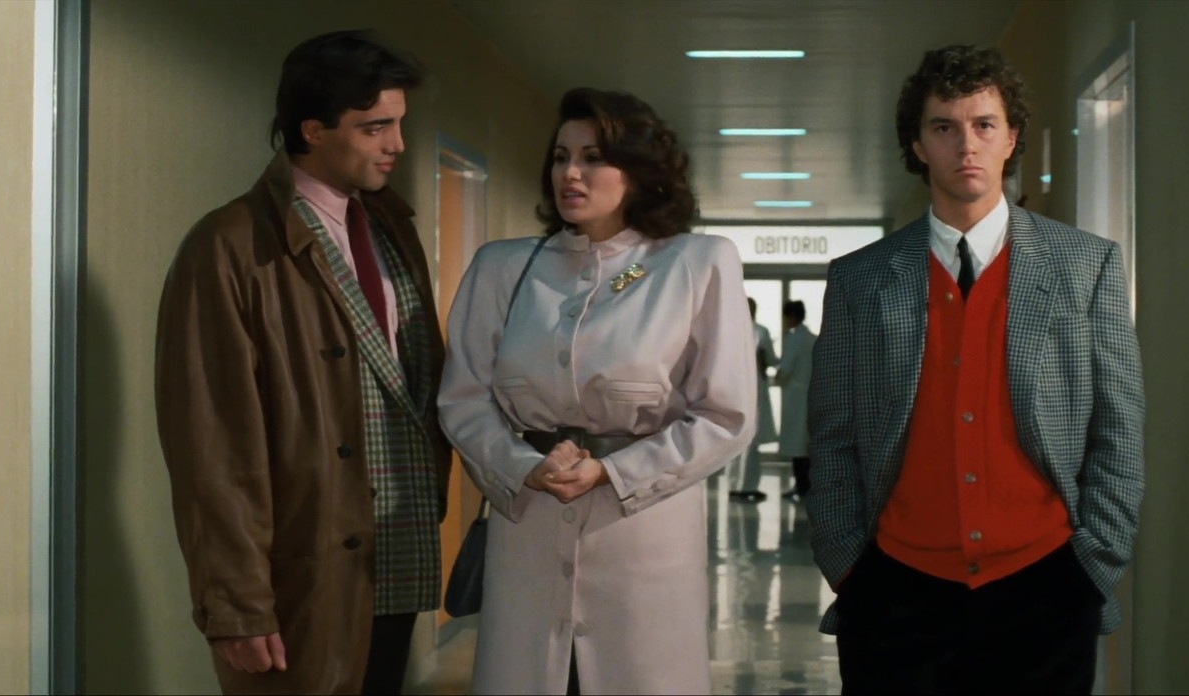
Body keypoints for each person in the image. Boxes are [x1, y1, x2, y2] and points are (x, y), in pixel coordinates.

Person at [806, 44, 1145, 694]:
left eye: (985, 125)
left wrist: (1092, 566)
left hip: (1048, 587)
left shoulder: (1086, 265)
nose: (967, 145)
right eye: (944, 127)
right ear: (917, 145)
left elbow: (1119, 430)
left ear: (1011, 138)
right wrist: (850, 568)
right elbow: (833, 436)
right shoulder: (861, 280)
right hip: (895, 593)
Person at [155, 30, 451, 695]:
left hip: (398, 547)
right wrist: (236, 602)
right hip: (305, 562)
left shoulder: (393, 229)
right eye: (375, 128)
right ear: (312, 130)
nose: (398, 145)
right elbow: (211, 445)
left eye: (399, 124)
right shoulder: (230, 246)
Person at [437, 87, 755, 695]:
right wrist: (521, 466)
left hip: (643, 539)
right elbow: (464, 398)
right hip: (529, 527)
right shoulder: (503, 268)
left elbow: (725, 414)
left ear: (639, 169)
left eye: (593, 158)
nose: (571, 173)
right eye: (561, 157)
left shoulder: (694, 262)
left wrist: (615, 472)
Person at [730, 297, 779, 502]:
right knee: (751, 441)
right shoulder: (760, 331)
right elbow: (771, 360)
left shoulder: (730, 330)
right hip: (754, 389)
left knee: (736, 439)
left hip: (735, 389)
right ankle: (748, 485)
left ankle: (735, 485)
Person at [775, 300, 816, 501]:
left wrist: (778, 378)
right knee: (805, 443)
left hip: (795, 396)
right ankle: (805, 485)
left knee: (796, 445)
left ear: (791, 316)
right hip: (810, 394)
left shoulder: (793, 340)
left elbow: (786, 369)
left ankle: (801, 486)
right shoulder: (812, 338)